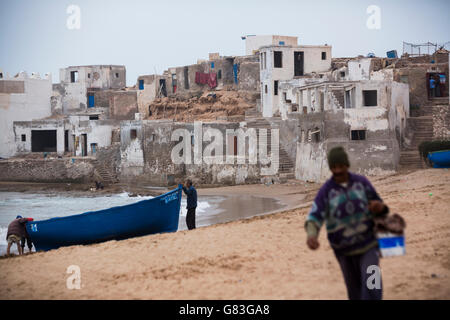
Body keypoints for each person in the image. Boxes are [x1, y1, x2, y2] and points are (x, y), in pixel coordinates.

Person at [304, 146, 389, 300]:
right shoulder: (326, 191)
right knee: (354, 291)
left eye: (340, 166)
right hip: (343, 251)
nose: (338, 170)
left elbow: (381, 206)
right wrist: (312, 235)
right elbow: (315, 216)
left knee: (373, 286)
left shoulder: (361, 183)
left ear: (347, 165)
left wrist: (379, 207)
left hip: (369, 245)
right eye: (334, 167)